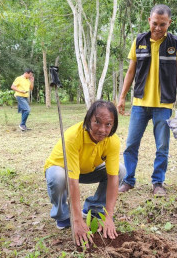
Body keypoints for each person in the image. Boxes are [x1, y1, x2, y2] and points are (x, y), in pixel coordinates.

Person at [117, 4, 177, 197]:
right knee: (131, 144)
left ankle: (158, 182)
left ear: (169, 23)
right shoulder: (139, 40)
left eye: (163, 24)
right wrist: (122, 96)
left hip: (164, 104)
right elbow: (131, 71)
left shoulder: (176, 43)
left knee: (162, 146)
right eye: (155, 23)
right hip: (140, 104)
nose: (158, 28)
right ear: (149, 20)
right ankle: (128, 180)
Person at [44, 100, 125, 247]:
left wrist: (109, 216)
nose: (102, 129)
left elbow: (113, 178)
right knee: (58, 178)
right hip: (61, 169)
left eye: (108, 124)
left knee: (120, 170)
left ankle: (93, 209)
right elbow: (72, 180)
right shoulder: (73, 136)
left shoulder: (112, 141)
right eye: (97, 122)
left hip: (87, 170)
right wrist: (76, 220)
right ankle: (62, 215)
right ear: (88, 120)